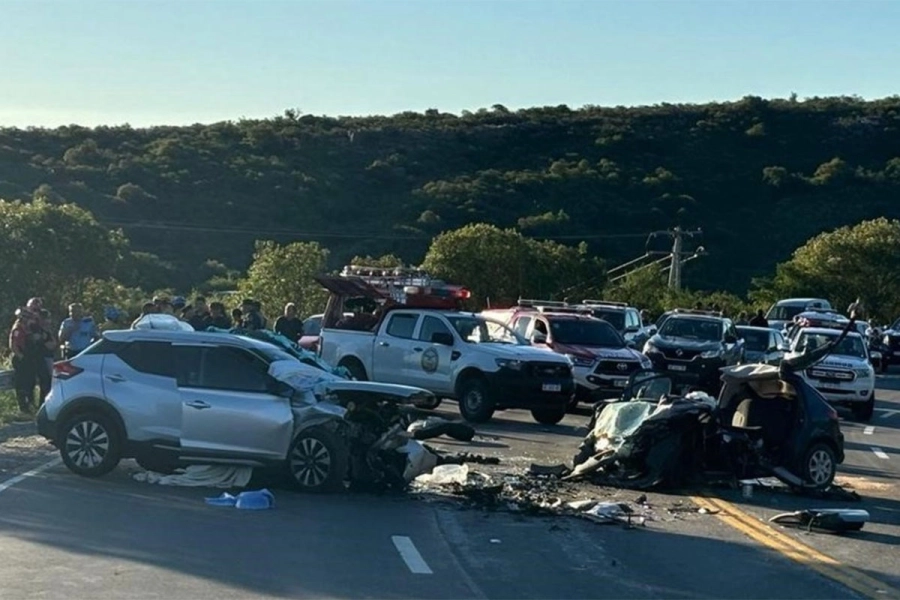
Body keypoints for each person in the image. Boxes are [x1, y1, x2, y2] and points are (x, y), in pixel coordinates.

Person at [9, 308, 37, 413]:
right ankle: (23, 406)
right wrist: (21, 356)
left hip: (29, 358)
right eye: (25, 317)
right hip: (21, 358)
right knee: (21, 382)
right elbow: (13, 345)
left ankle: (31, 403)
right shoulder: (17, 329)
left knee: (30, 381)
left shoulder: (28, 328)